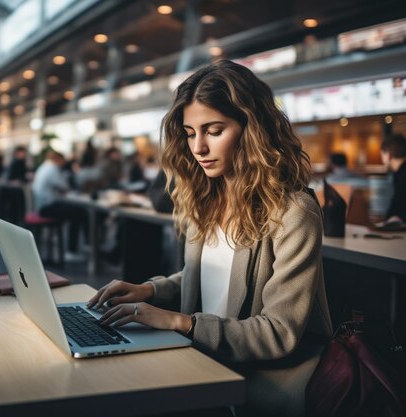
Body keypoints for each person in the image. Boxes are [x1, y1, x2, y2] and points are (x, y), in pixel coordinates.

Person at [87, 60, 332, 417]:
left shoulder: (294, 212)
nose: (198, 147)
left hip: (258, 380)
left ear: (252, 130)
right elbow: (211, 277)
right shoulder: (206, 199)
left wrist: (179, 321)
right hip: (202, 358)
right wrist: (151, 291)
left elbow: (279, 333)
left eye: (214, 130)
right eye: (189, 133)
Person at [32, 150, 87, 261]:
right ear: (59, 159)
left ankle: (80, 247)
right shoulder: (52, 169)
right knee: (79, 212)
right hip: (47, 207)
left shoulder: (44, 166)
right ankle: (72, 251)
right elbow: (64, 186)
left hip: (41, 206)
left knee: (75, 211)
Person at [377, 133, 406, 226]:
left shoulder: (401, 175)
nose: (382, 160)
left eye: (382, 155)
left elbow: (397, 205)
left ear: (388, 155)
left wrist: (386, 223)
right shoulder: (400, 173)